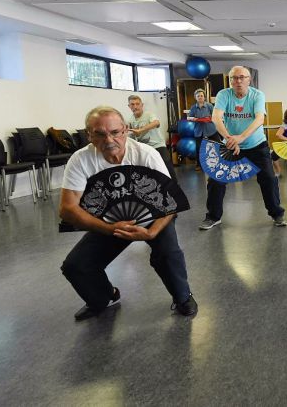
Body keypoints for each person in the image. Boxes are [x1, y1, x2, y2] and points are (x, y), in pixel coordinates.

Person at [59, 106, 197, 321]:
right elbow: (68, 209)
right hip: (109, 221)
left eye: (115, 132)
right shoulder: (80, 160)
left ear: (125, 130)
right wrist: (108, 228)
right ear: (89, 135)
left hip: (154, 216)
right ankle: (103, 297)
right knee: (76, 265)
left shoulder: (146, 154)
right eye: (100, 134)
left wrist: (152, 233)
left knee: (168, 254)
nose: (109, 139)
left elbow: (170, 202)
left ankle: (183, 297)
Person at [200, 66, 286, 230]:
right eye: (234, 78)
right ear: (230, 80)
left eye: (242, 77)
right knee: (216, 179)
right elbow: (216, 118)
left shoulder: (257, 95)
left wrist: (241, 138)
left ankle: (277, 214)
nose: (238, 81)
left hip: (256, 145)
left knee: (268, 178)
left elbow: (259, 119)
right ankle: (213, 216)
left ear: (249, 79)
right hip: (231, 145)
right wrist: (230, 139)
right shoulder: (224, 95)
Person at [126, 95, 177, 181]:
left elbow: (156, 123)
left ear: (142, 105)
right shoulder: (130, 120)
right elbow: (134, 135)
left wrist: (140, 130)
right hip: (144, 148)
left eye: (137, 104)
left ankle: (175, 186)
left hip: (158, 146)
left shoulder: (149, 115)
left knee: (166, 164)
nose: (135, 106)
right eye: (132, 104)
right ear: (129, 106)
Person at [187, 88, 219, 171]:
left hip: (211, 130)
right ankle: (199, 165)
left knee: (217, 146)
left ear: (204, 97)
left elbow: (215, 116)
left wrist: (209, 119)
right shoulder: (193, 107)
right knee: (199, 149)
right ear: (195, 97)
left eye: (201, 96)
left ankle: (218, 162)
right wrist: (194, 119)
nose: (200, 97)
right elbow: (189, 117)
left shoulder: (209, 106)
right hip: (199, 131)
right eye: (198, 96)